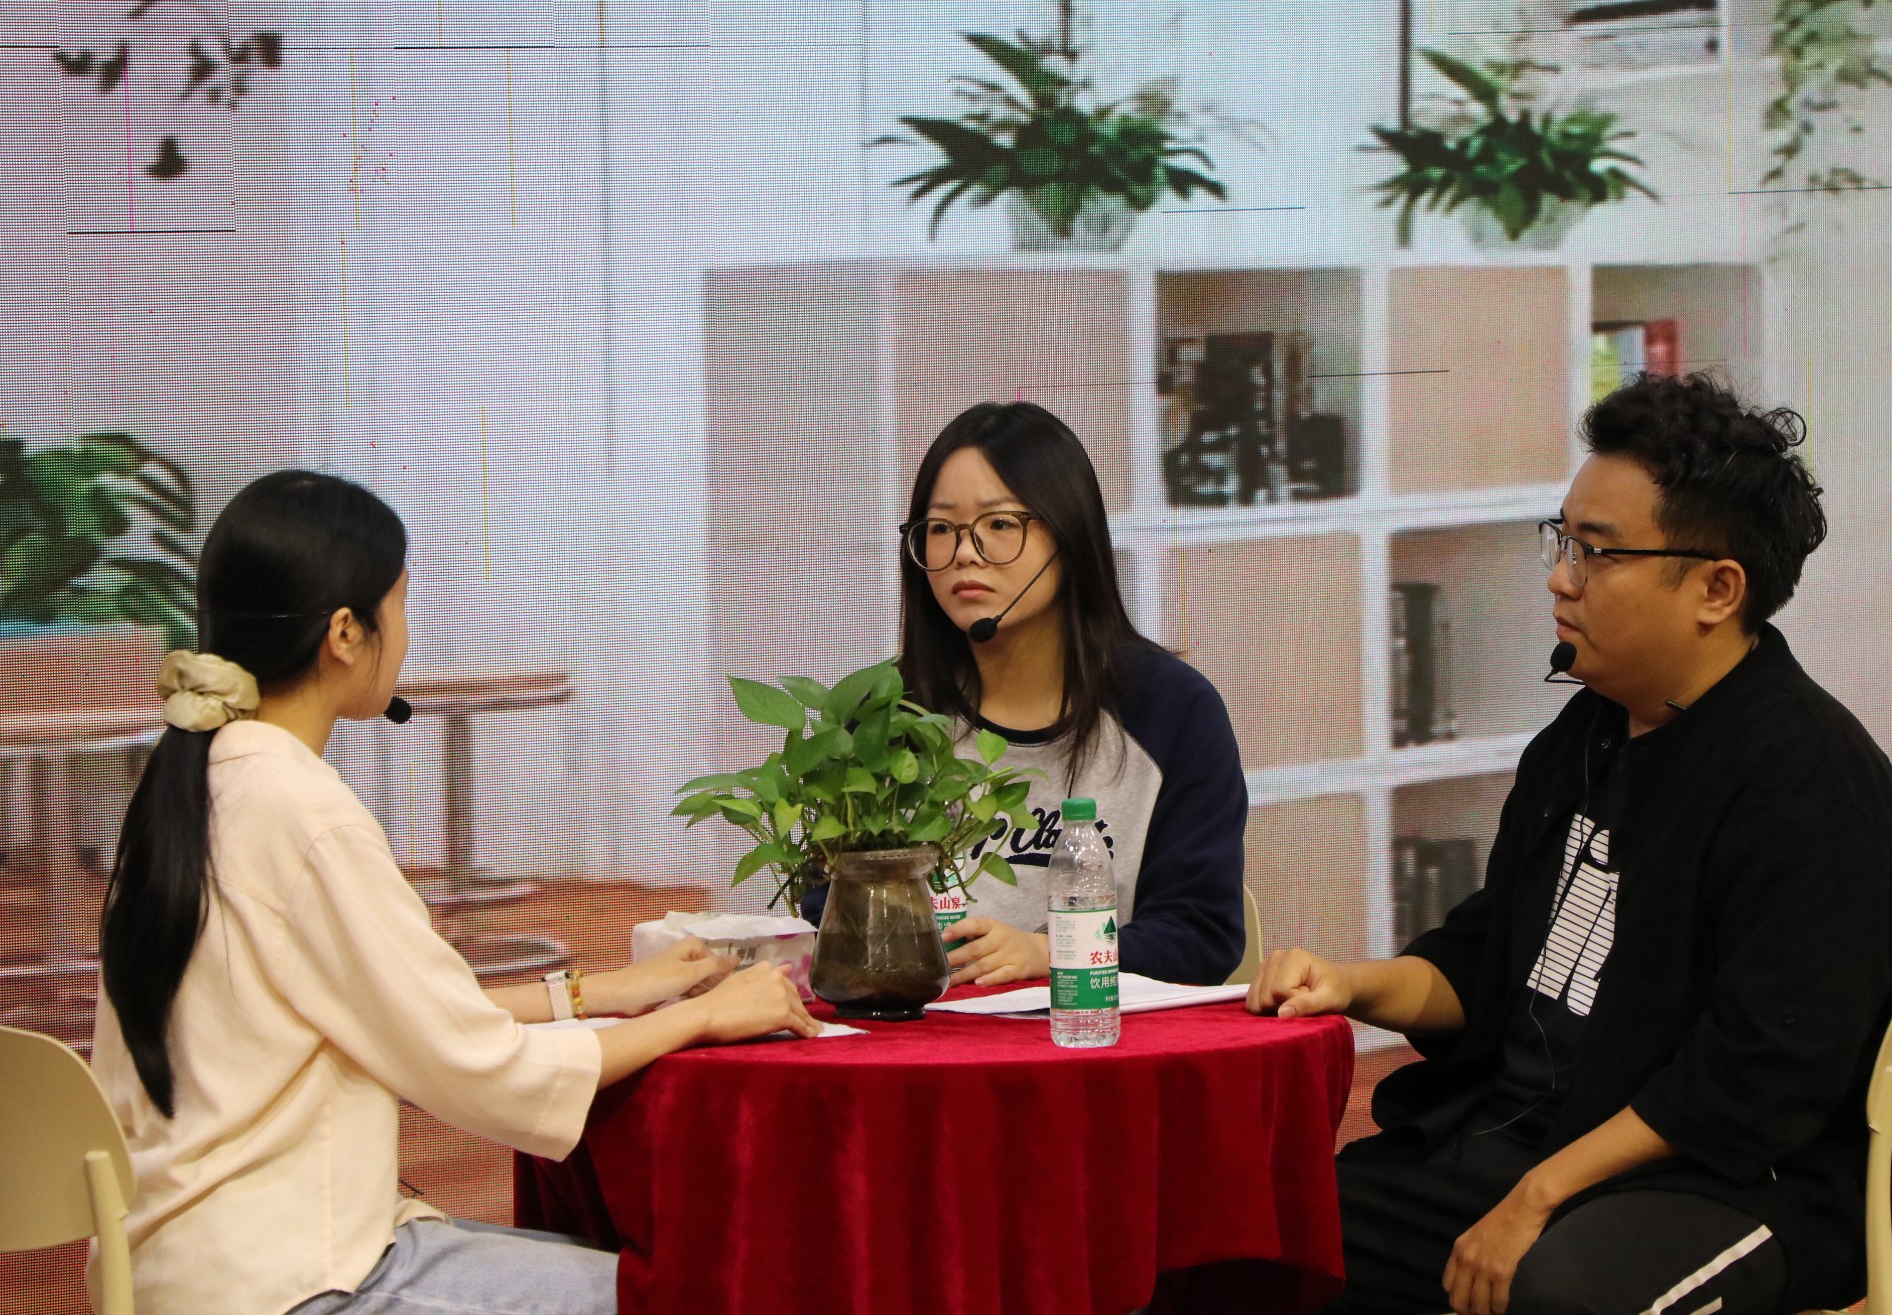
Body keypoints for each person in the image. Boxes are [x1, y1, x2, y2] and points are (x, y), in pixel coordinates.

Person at [1249, 373, 1892, 1315]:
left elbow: (1755, 1076)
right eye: (1563, 540)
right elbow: (1486, 962)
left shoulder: (1809, 779)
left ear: (1717, 588)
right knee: (1248, 1233)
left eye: (1598, 552)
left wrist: (1539, 1194)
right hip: (1531, 1141)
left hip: (1741, 1180)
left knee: (1566, 1292)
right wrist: (1349, 982)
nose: (1560, 576)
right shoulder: (1583, 737)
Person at [92, 470, 820, 1315]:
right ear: (345, 633)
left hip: (188, 1263)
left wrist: (595, 993)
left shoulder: (197, 779)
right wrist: (701, 1015)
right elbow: (478, 1068)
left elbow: (395, 1007)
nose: (405, 634)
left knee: (598, 1263)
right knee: (687, 1290)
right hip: (287, 1279)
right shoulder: (303, 811)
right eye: (399, 604)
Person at [897, 400, 1248, 986]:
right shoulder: (887, 711)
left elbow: (1202, 934)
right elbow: (829, 907)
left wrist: (1052, 953)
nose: (964, 552)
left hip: (1099, 1029)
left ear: (1069, 535)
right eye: (940, 528)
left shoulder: (1172, 710)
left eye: (999, 524)